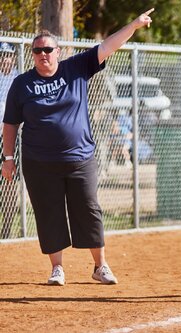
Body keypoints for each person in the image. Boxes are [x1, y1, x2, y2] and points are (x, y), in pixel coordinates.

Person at [1, 8, 154, 285]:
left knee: (89, 209)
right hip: (39, 163)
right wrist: (8, 158)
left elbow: (109, 46)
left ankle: (100, 266)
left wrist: (134, 24)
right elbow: (10, 124)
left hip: (80, 158)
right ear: (32, 54)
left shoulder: (76, 68)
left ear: (58, 51)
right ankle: (57, 268)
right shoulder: (22, 84)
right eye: (37, 51)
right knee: (48, 213)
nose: (42, 54)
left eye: (48, 49)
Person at [0, 42, 19, 239]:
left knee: (10, 182)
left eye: (8, 55)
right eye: (2, 54)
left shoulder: (17, 78)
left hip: (12, 137)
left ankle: (7, 227)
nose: (5, 58)